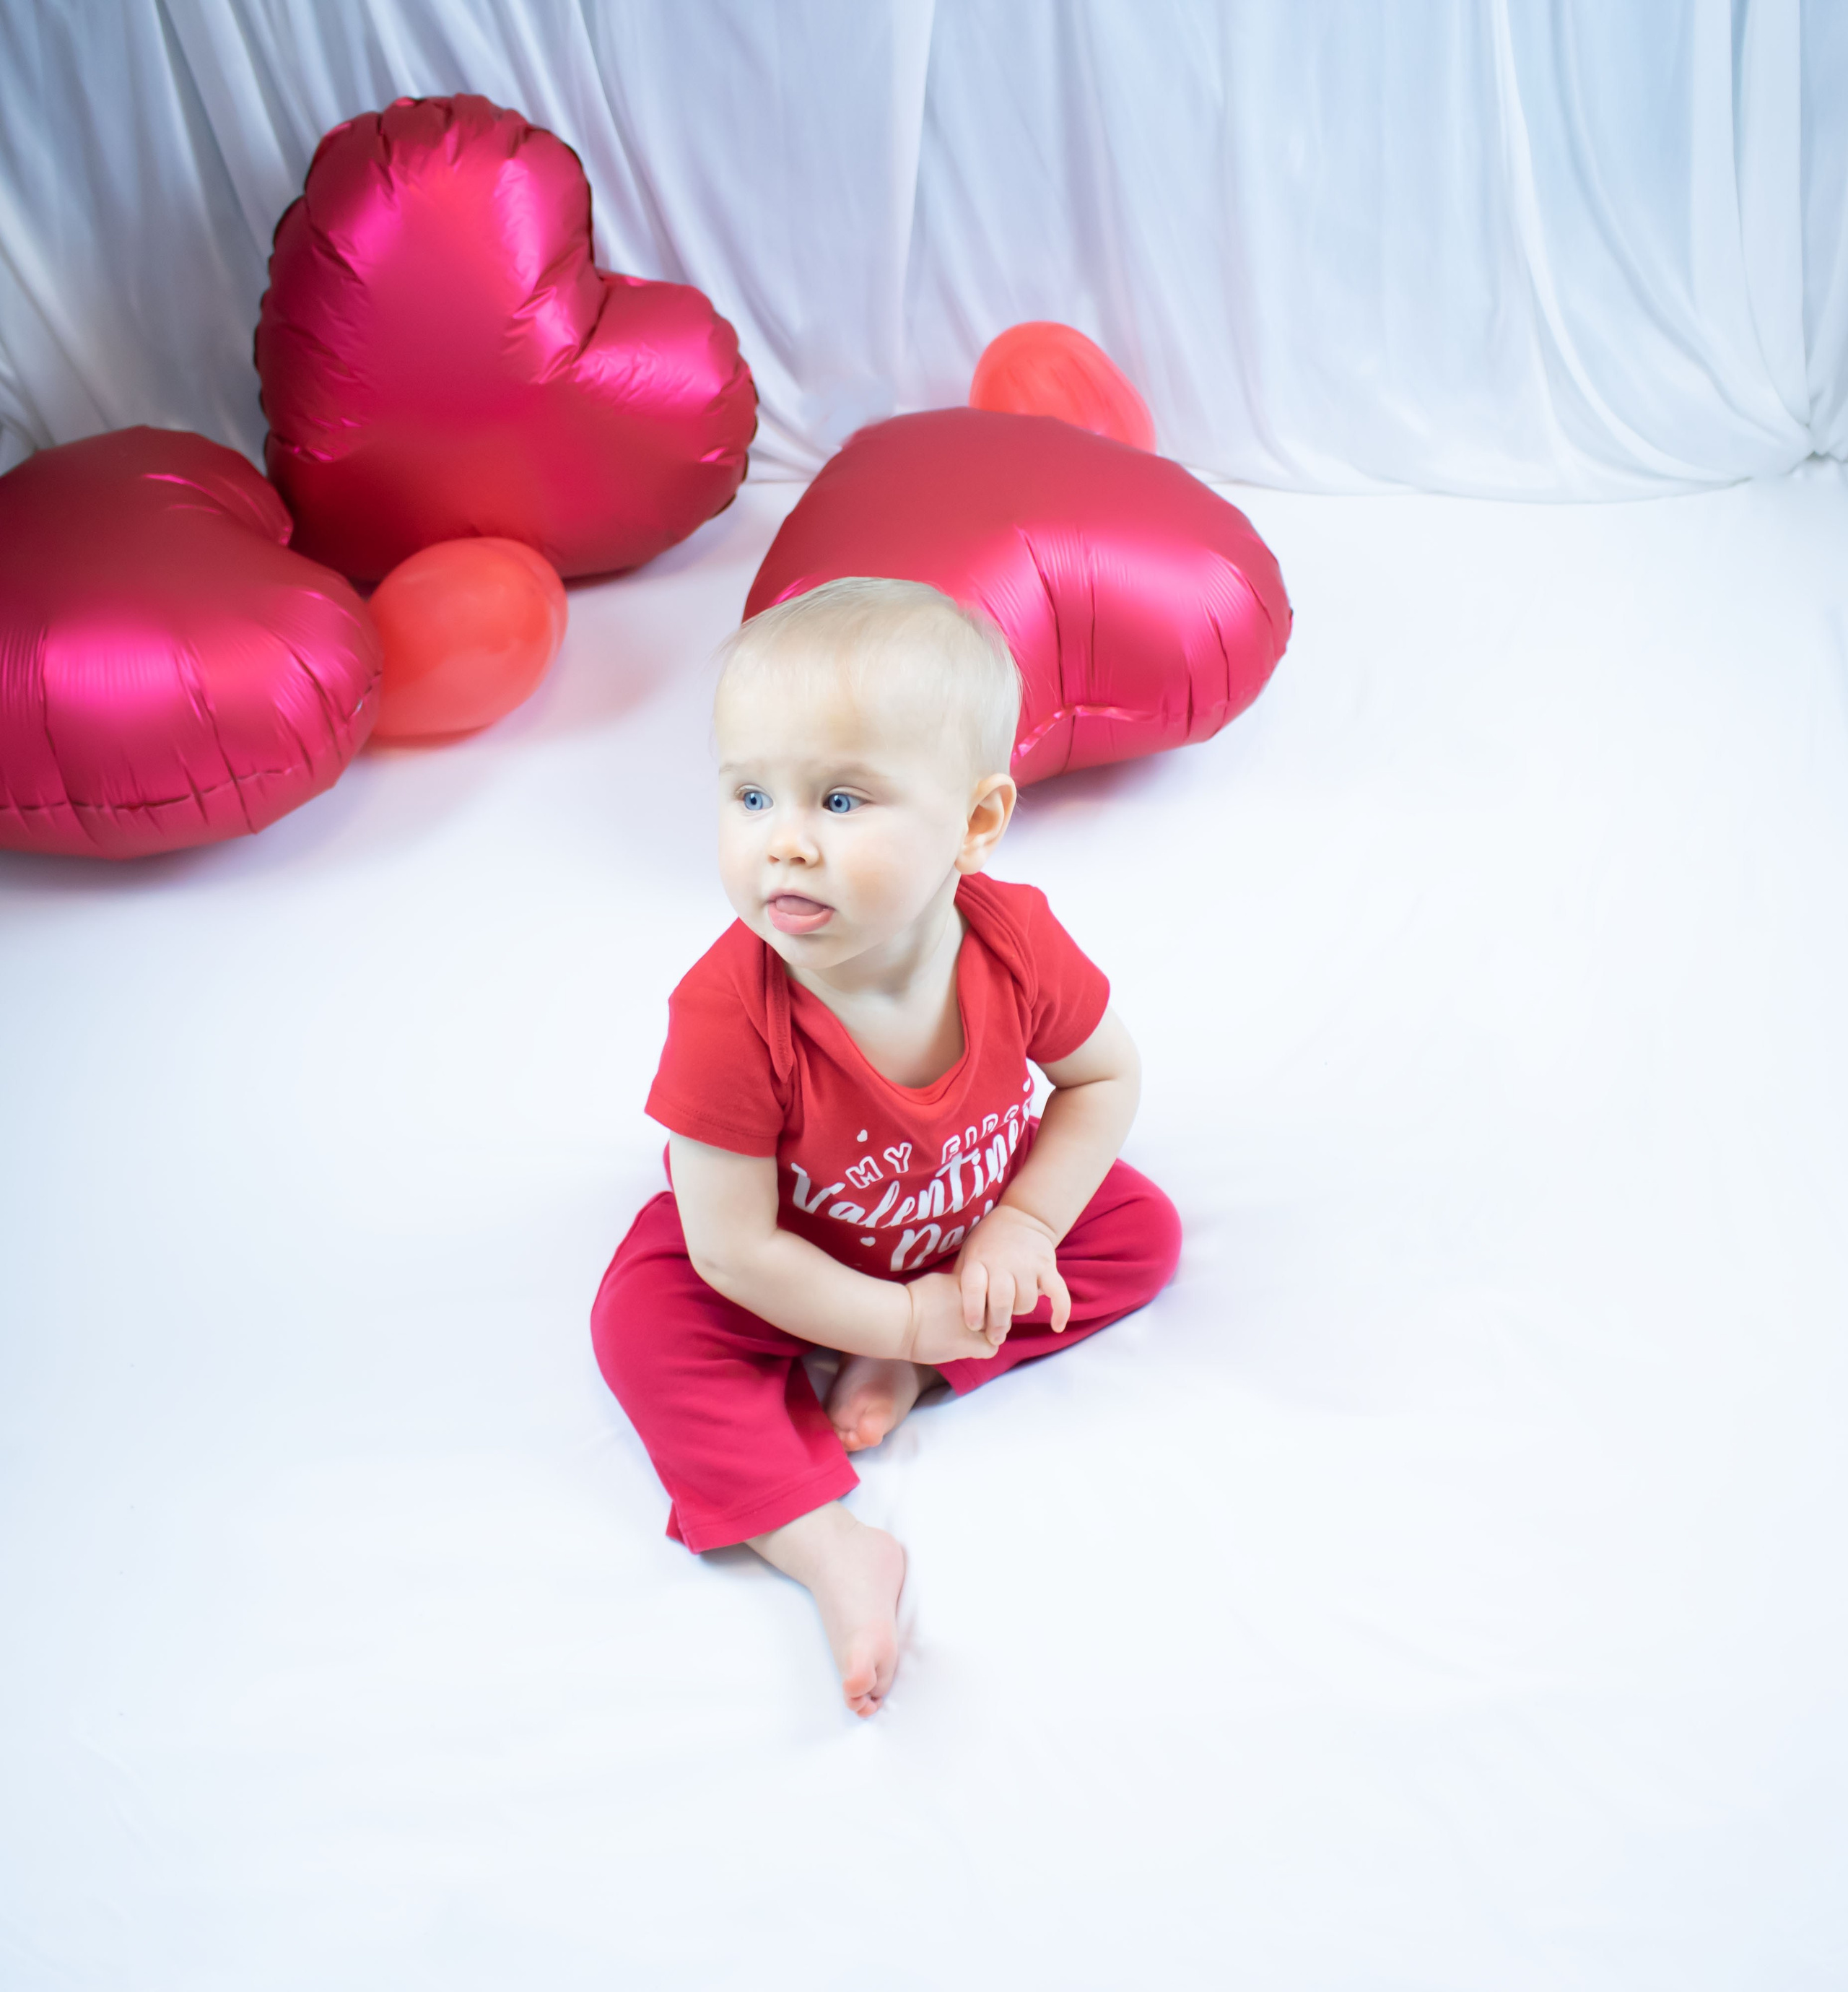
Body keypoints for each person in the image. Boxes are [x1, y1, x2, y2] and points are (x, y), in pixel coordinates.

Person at [591, 577, 1181, 1716]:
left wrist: (1023, 1224)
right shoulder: (730, 1012)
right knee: (642, 1327)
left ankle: (922, 1365)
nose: (784, 843)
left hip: (963, 1220)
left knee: (1139, 1232)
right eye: (751, 796)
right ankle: (828, 1546)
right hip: (784, 1260)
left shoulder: (1012, 944)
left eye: (840, 800)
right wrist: (898, 1314)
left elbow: (1105, 1077)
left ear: (975, 824)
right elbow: (732, 1252)